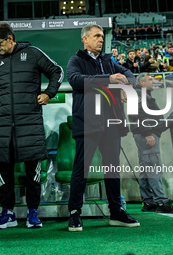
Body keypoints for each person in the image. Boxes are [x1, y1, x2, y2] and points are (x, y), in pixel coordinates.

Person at [0, 22, 63, 228]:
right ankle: (7, 213)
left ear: (10, 39)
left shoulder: (33, 53)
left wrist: (49, 93)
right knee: (4, 171)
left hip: (30, 124)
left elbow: (57, 71)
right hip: (3, 126)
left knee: (32, 171)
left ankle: (33, 213)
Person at [66, 24, 140, 232]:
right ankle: (74, 213)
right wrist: (109, 80)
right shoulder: (76, 60)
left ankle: (116, 212)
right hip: (88, 123)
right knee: (81, 169)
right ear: (85, 39)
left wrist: (128, 86)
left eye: (102, 36)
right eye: (97, 36)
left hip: (111, 123)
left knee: (112, 169)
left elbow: (128, 73)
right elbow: (75, 80)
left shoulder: (109, 60)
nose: (101, 39)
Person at [129, 73, 173, 214]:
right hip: (146, 134)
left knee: (146, 169)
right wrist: (147, 133)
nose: (152, 82)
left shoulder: (141, 94)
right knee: (154, 167)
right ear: (141, 82)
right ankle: (161, 202)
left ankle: (148, 202)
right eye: (149, 80)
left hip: (147, 133)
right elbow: (138, 114)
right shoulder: (139, 94)